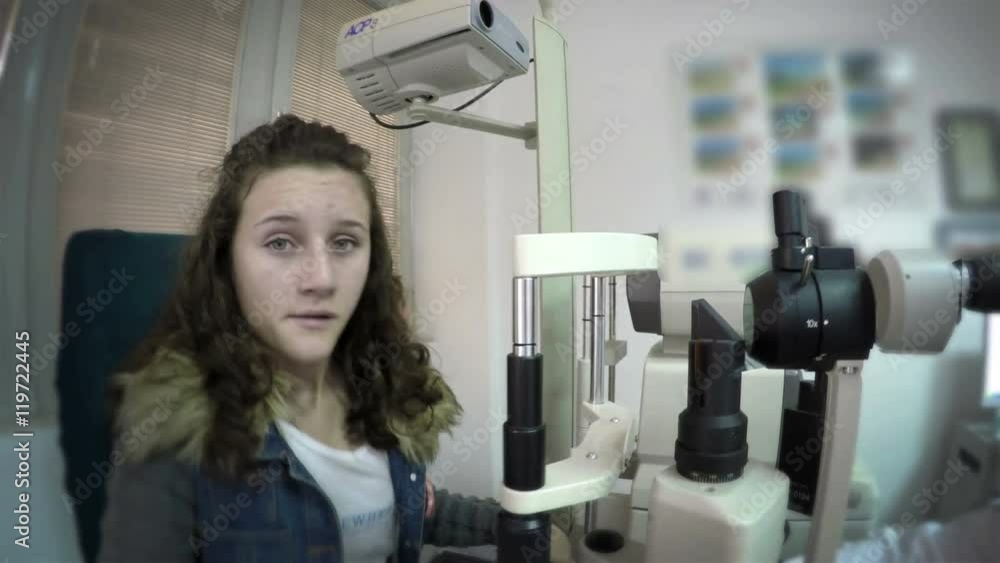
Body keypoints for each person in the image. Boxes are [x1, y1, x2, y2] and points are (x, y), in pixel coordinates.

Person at [97, 114, 502, 563]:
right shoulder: (172, 435)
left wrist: (527, 523)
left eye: (344, 242)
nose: (322, 279)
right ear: (225, 261)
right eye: (281, 243)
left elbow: (405, 511)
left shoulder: (384, 389)